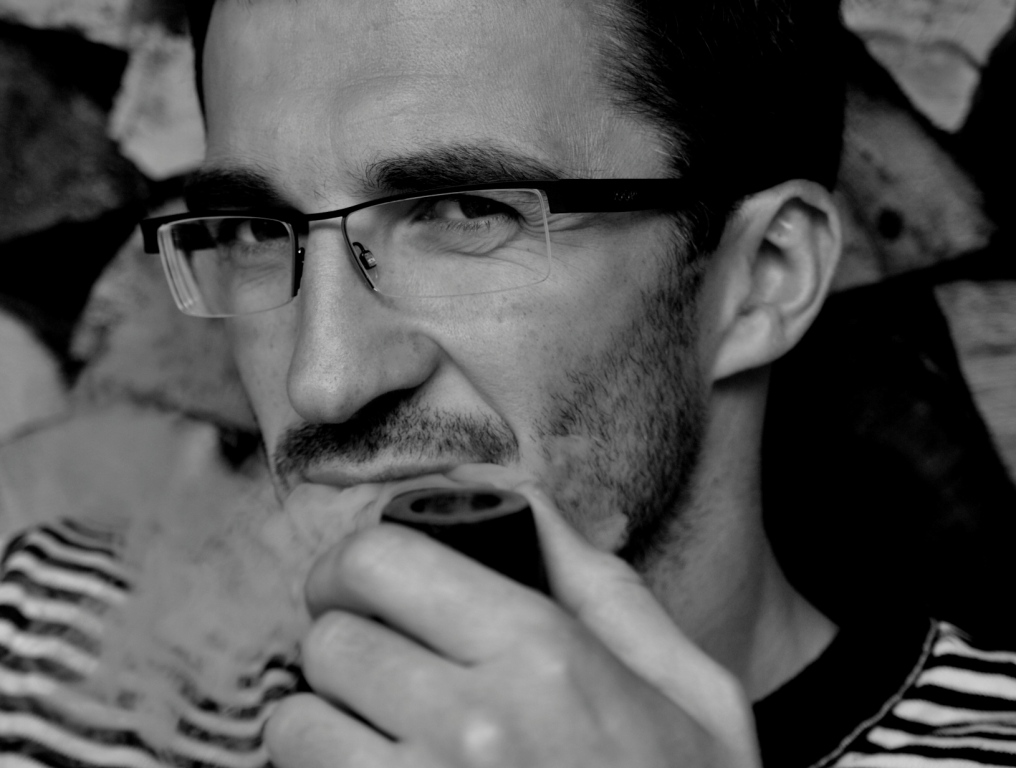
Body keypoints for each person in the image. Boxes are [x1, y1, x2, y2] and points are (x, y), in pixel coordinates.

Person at [2, 1, 1015, 767]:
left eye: (465, 213)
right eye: (254, 231)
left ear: (761, 279)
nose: (323, 381)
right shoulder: (41, 647)